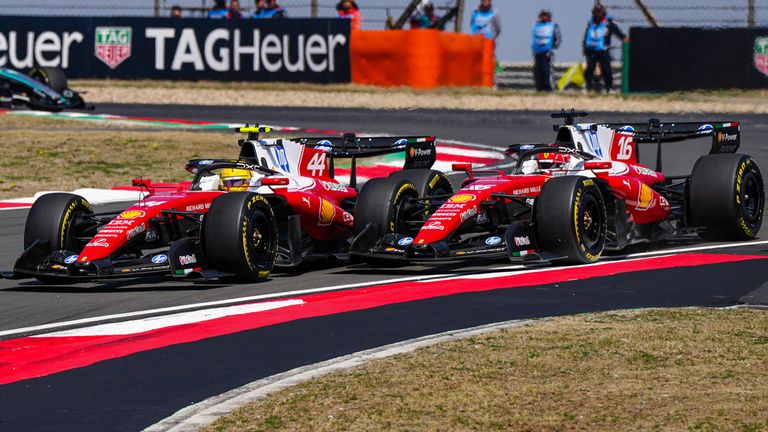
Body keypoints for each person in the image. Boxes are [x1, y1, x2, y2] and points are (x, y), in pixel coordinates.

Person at [583, 4, 627, 93]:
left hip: (603, 50)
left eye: (599, 11)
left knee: (606, 70)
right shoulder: (591, 23)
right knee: (589, 70)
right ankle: (589, 87)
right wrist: (584, 47)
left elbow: (617, 31)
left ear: (603, 12)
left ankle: (609, 87)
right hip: (591, 50)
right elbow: (586, 36)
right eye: (596, 11)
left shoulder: (608, 22)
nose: (598, 13)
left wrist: (624, 37)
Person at [531, 9, 561, 92]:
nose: (544, 17)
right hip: (537, 52)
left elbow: (557, 38)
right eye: (542, 15)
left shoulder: (553, 25)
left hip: (547, 53)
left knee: (546, 70)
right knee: (537, 71)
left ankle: (549, 88)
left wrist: (553, 46)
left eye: (546, 15)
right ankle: (539, 87)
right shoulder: (536, 25)